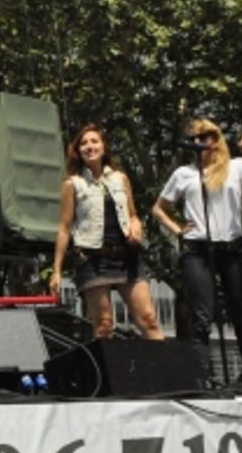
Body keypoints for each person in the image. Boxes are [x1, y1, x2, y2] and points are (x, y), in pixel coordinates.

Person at [153, 119, 242, 359]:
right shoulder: (184, 173)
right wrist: (177, 229)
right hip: (198, 249)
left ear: (217, 140)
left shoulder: (237, 166)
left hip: (232, 247)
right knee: (202, 317)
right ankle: (202, 377)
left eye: (206, 136)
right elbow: (158, 208)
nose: (200, 141)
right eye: (196, 137)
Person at [49, 125, 163, 339]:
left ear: (104, 147)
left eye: (94, 141)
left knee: (149, 318)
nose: (89, 147)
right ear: (77, 151)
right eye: (84, 143)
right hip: (93, 257)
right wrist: (56, 270)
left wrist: (136, 225)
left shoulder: (120, 178)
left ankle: (164, 370)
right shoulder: (73, 184)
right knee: (104, 324)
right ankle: (107, 371)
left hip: (126, 255)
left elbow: (132, 214)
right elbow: (64, 227)